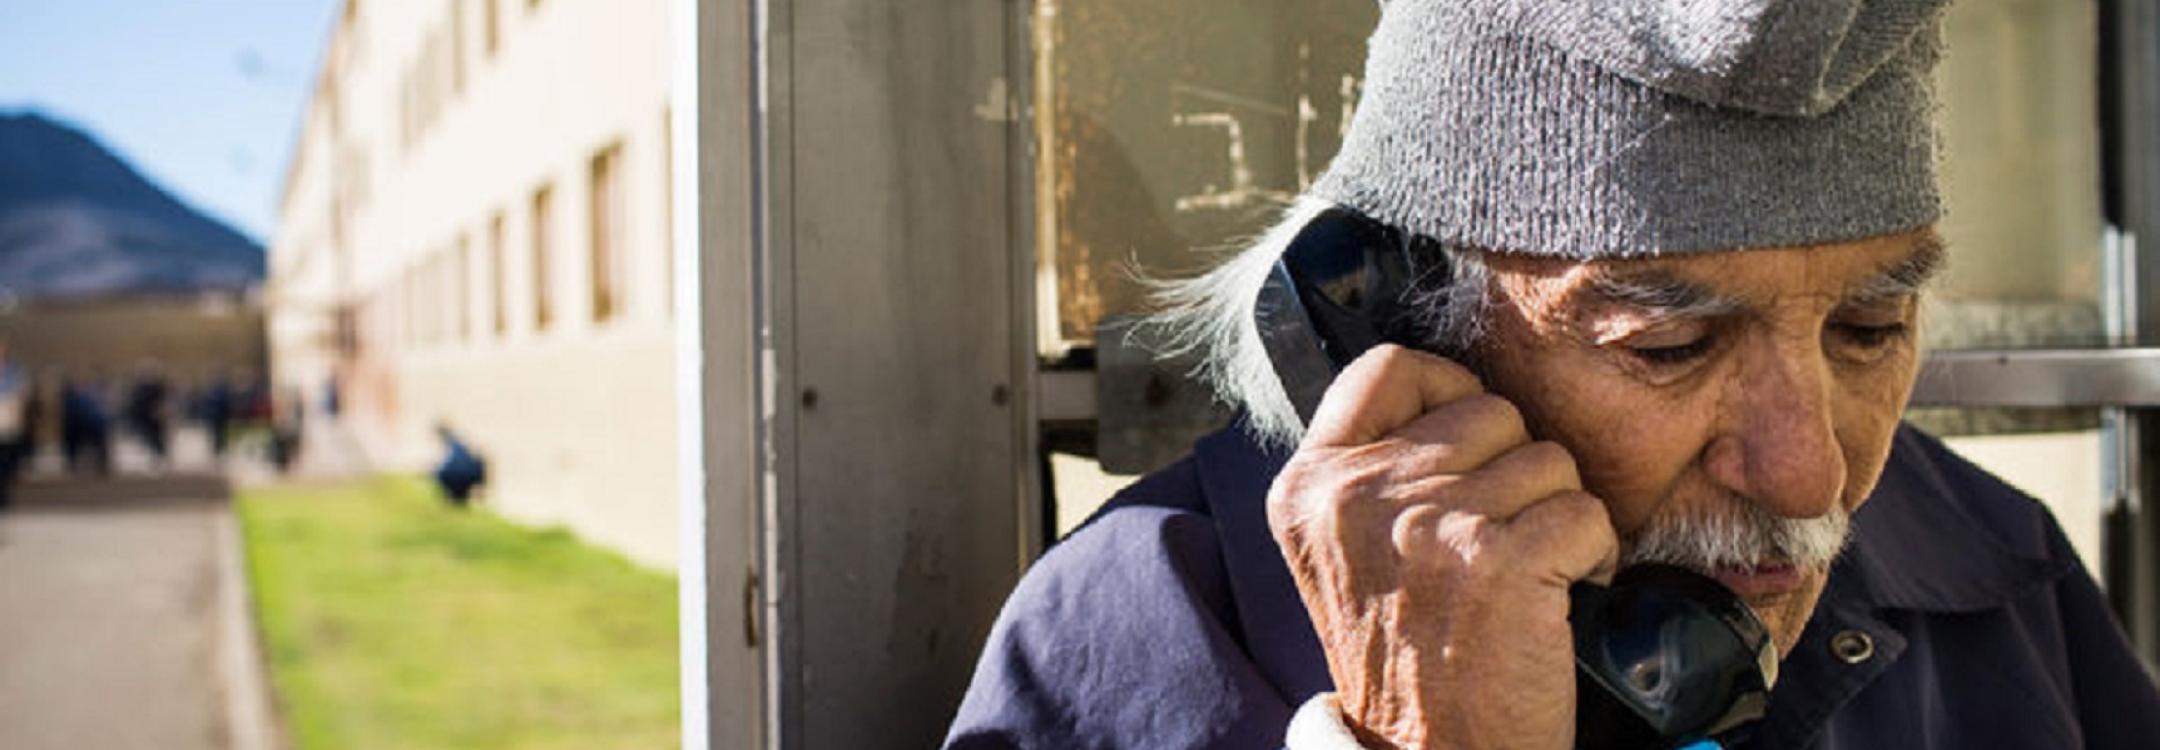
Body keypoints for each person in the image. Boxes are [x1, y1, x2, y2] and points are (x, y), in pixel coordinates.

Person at [945, 1, 2160, 748]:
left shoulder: (1988, 573)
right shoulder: (1135, 633)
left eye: (1870, 330)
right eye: (1671, 349)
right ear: (1404, 331)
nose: (1810, 475)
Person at [432, 424, 486, 507]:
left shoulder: (455, 446)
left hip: (457, 475)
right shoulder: (460, 445)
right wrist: (482, 487)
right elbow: (480, 462)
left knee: (437, 472)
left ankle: (450, 498)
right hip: (465, 475)